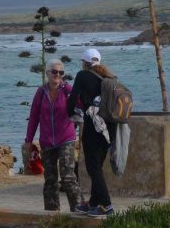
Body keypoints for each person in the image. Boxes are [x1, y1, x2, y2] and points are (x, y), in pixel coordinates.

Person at [23, 59, 79, 212]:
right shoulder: (41, 92)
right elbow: (34, 116)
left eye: (61, 72)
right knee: (50, 179)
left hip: (66, 138)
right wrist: (28, 140)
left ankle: (79, 209)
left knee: (68, 176)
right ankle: (52, 213)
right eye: (54, 71)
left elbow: (80, 103)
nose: (58, 75)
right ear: (47, 73)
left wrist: (69, 88)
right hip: (47, 141)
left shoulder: (67, 90)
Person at [69, 48, 116, 217]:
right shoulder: (108, 77)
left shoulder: (83, 75)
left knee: (93, 167)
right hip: (109, 129)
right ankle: (94, 203)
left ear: (84, 62)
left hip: (93, 128)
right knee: (97, 166)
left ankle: (107, 205)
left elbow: (73, 99)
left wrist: (69, 115)